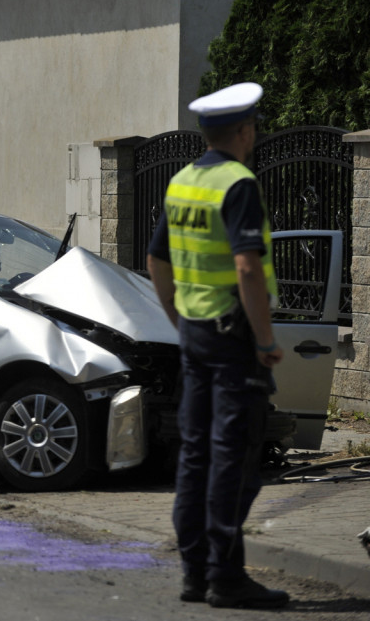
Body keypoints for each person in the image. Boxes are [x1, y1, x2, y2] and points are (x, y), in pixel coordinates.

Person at [146, 82, 289, 609]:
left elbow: (156, 261)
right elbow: (248, 268)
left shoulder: (182, 182)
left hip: (196, 339)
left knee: (195, 455)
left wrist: (177, 320)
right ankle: (225, 577)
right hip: (234, 341)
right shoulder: (239, 183)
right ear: (245, 131)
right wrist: (268, 340)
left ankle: (194, 574)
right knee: (235, 457)